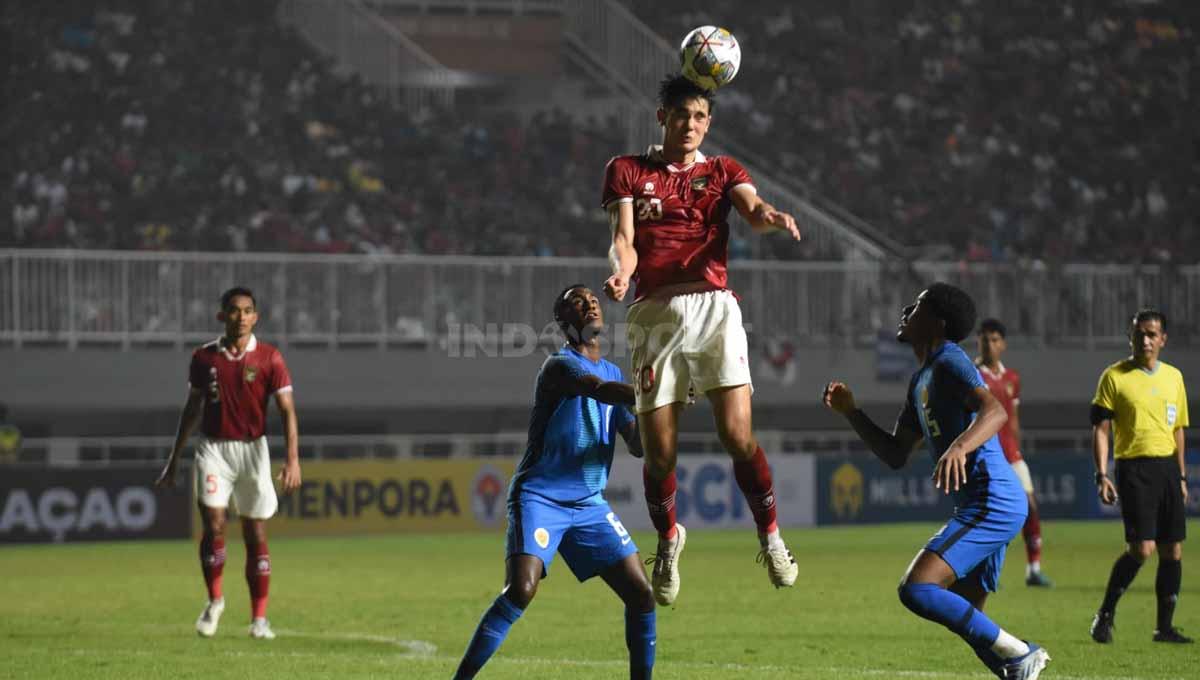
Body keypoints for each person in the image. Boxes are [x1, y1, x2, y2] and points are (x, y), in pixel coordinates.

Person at [601, 74, 801, 605]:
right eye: (681, 114)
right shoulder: (627, 170)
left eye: (699, 117)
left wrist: (769, 216)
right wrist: (621, 273)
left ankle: (772, 537)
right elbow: (625, 239)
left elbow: (752, 209)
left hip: (714, 309)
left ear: (707, 123)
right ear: (661, 115)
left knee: (737, 438)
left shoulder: (721, 170)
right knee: (660, 454)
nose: (690, 125)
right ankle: (668, 540)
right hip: (653, 313)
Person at [823, 283, 1050, 680]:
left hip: (991, 500)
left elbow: (994, 410)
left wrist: (960, 447)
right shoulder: (921, 380)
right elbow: (896, 453)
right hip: (986, 502)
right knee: (973, 623)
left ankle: (1022, 652)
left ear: (937, 323)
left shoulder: (950, 361)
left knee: (917, 589)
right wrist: (852, 413)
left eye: (919, 304)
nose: (908, 308)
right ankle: (1017, 668)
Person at [453, 284, 656, 679]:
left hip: (588, 504)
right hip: (540, 497)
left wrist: (661, 415)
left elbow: (636, 445)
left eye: (592, 299)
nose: (591, 302)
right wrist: (654, 390)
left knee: (642, 594)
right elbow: (600, 391)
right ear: (565, 323)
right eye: (578, 302)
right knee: (521, 589)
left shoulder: (614, 372)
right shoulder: (560, 367)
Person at [155, 286, 301, 640]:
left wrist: (293, 460)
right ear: (222, 316)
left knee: (255, 533)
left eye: (248, 310)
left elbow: (287, 412)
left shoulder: (270, 358)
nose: (241, 317)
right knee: (215, 525)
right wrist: (174, 459)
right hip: (214, 450)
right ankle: (215, 600)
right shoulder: (204, 358)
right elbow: (191, 410)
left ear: (256, 316)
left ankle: (259, 619)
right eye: (234, 311)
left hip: (254, 450)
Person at [1088, 309, 1191, 644]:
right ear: (1129, 337)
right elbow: (1101, 429)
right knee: (1142, 549)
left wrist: (1182, 477)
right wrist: (1102, 474)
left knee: (1172, 551)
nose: (1145, 340)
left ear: (1163, 339)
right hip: (1134, 468)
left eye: (1151, 334)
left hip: (1167, 470)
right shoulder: (1114, 377)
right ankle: (1105, 614)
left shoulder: (1174, 377)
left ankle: (1164, 628)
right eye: (1139, 334)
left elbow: (1178, 430)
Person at [975, 318, 1052, 587]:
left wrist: (1017, 449)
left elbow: (1013, 419)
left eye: (994, 339)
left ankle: (1033, 569)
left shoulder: (1012, 379)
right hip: (985, 457)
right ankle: (982, 572)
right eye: (984, 339)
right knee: (990, 515)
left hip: (1011, 454)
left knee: (1030, 507)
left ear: (1003, 344)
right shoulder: (973, 375)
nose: (989, 344)